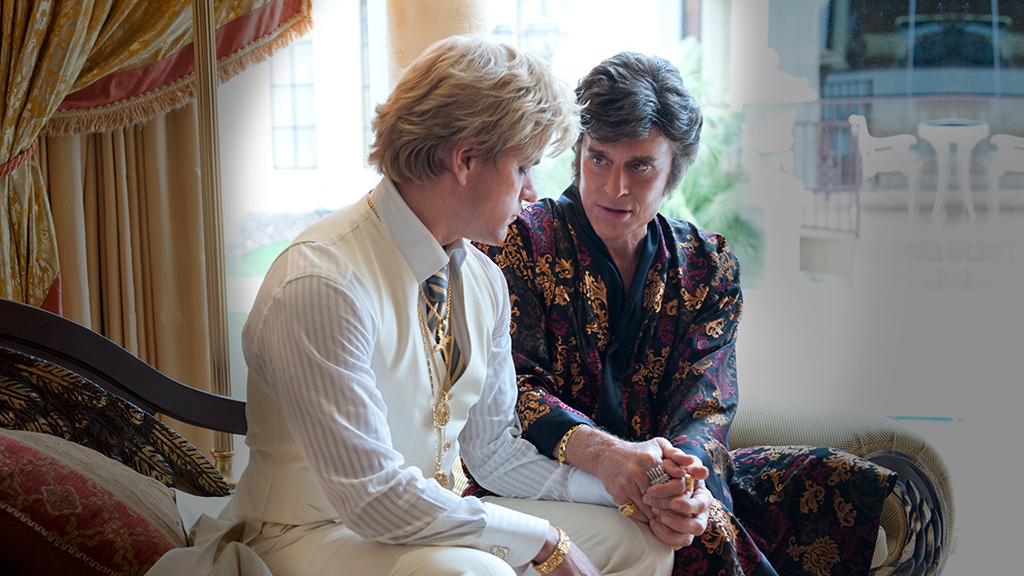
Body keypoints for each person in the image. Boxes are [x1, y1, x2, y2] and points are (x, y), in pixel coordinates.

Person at [215, 36, 710, 576]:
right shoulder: (323, 280)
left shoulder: (482, 279)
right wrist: (543, 540)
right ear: (466, 160)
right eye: (523, 168)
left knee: (640, 542)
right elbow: (372, 498)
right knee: (476, 573)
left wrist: (625, 488)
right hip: (309, 534)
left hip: (432, 522)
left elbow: (495, 454)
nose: (532, 193)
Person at [472, 51, 898, 576]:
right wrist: (610, 458)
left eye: (640, 166)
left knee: (836, 481)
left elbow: (705, 404)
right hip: (548, 478)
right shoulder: (516, 243)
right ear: (579, 152)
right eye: (599, 159)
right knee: (704, 534)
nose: (614, 187)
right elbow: (512, 393)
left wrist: (690, 487)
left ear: (674, 170)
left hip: (668, 475)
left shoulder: (707, 265)